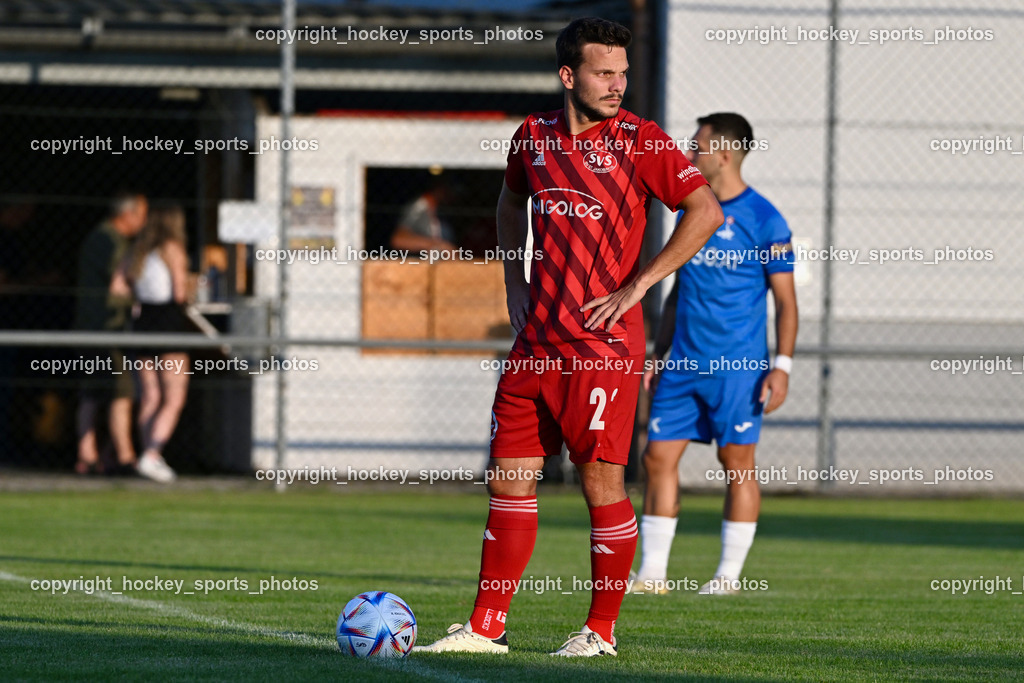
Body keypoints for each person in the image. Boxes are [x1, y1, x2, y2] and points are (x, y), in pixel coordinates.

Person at [414, 17, 722, 657]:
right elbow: (510, 202)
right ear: (567, 75)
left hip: (601, 350)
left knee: (600, 485)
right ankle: (486, 628)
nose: (617, 84)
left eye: (623, 73)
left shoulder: (642, 141)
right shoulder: (533, 137)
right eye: (604, 73)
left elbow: (705, 211)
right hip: (534, 346)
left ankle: (599, 632)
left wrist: (640, 285)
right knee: (508, 481)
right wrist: (515, 280)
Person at [633, 113, 798, 596]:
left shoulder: (766, 219)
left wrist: (782, 368)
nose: (688, 154)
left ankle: (727, 577)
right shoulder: (691, 210)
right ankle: (653, 575)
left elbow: (787, 303)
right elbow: (678, 291)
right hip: (683, 363)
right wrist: (659, 353)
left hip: (739, 370)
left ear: (723, 155)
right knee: (657, 457)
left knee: (736, 461)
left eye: (697, 147)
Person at [110, 203, 192, 483]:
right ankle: (152, 454)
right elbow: (179, 293)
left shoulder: (137, 250)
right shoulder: (172, 248)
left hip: (143, 320)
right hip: (168, 322)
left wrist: (139, 291)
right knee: (174, 397)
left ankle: (148, 457)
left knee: (150, 396)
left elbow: (118, 286)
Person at [73, 191, 147, 475]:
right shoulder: (110, 241)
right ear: (127, 215)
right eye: (142, 215)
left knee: (93, 392)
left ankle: (90, 453)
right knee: (121, 391)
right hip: (106, 326)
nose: (144, 223)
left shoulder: (99, 237)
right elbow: (121, 281)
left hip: (92, 325)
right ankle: (124, 456)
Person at [388, 177, 458, 253]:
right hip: (419, 258)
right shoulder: (419, 207)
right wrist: (438, 245)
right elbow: (398, 240)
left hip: (438, 258)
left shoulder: (440, 211)